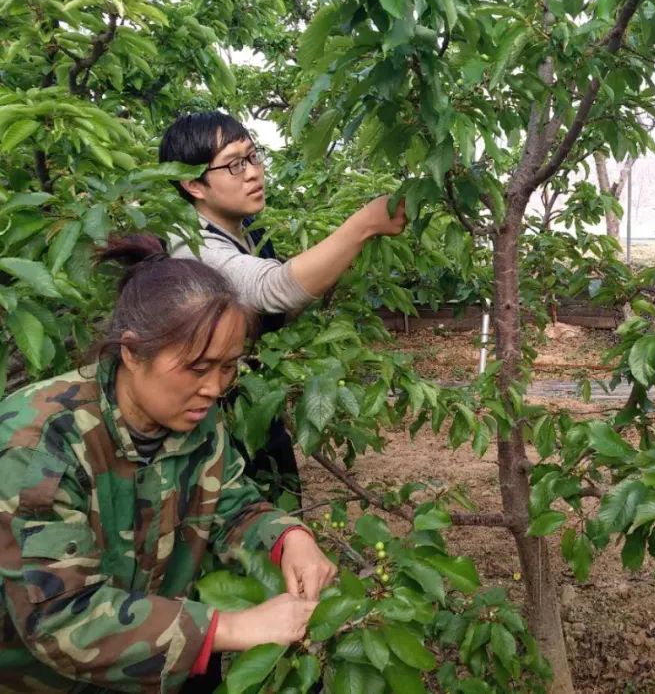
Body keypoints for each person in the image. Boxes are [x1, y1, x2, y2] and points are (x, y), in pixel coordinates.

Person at [0, 236, 337, 693]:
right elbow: (60, 618)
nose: (216, 387)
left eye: (228, 367)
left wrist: (287, 538)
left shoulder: (190, 414)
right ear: (132, 352)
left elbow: (227, 502)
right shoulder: (39, 440)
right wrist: (227, 628)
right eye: (198, 368)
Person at [158, 111, 407, 499]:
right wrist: (364, 225)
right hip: (208, 423)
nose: (254, 173)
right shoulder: (189, 245)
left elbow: (276, 310)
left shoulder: (249, 229)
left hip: (252, 404)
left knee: (281, 507)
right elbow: (274, 289)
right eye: (234, 165)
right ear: (193, 184)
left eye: (253, 157)